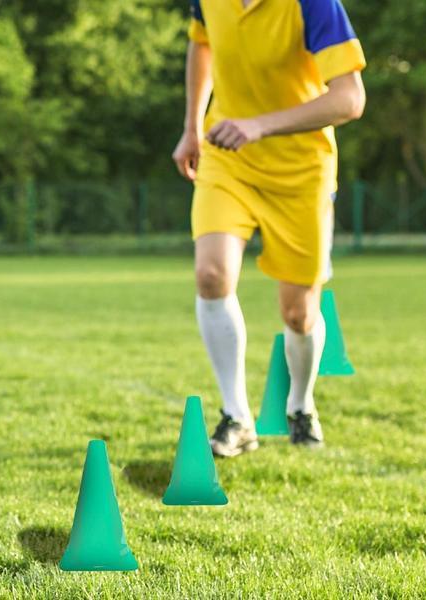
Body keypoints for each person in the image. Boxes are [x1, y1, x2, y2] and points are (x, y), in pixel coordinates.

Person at [172, 0, 366, 457]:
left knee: (299, 312)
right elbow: (202, 44)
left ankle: (300, 404)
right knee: (211, 276)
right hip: (228, 157)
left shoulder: (314, 4)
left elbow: (350, 98)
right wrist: (193, 126)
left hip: (301, 170)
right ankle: (237, 417)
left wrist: (259, 126)